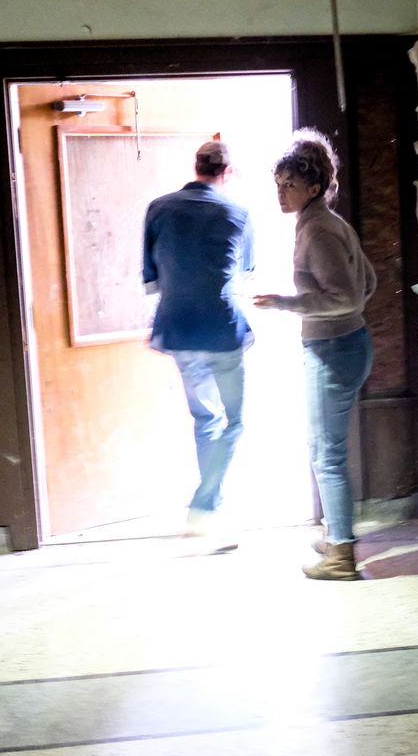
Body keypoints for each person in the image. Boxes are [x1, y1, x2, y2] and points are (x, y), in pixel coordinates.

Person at [254, 129, 376, 581]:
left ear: (314, 186)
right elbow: (370, 284)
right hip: (345, 345)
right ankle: (337, 534)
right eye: (278, 183)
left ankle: (341, 554)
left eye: (290, 184)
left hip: (332, 348)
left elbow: (346, 297)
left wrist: (288, 303)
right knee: (324, 448)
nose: (281, 192)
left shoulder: (319, 230)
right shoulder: (328, 222)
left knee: (326, 453)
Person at [143, 140, 253, 543]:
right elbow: (245, 270)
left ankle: (206, 508)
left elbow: (151, 278)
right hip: (223, 327)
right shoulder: (238, 213)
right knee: (234, 420)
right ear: (227, 172)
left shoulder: (158, 208)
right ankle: (205, 505)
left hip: (178, 328)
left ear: (196, 166)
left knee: (205, 418)